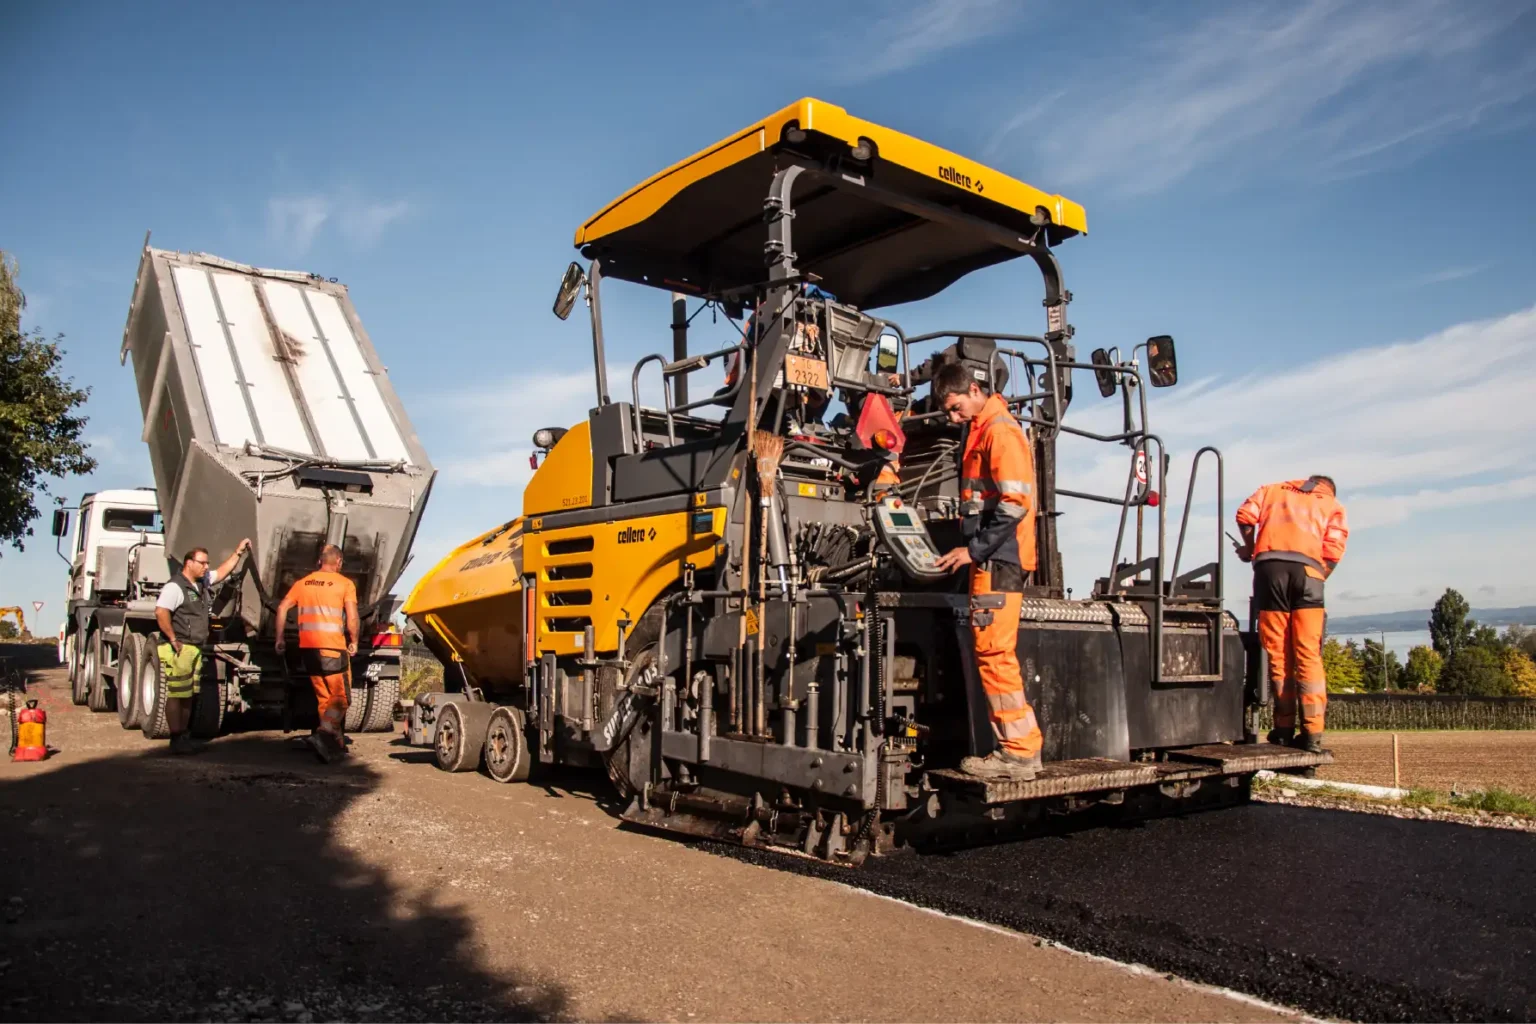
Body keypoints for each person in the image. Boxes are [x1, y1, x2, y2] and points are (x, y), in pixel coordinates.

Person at [930, 364, 1044, 781]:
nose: (953, 418)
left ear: (975, 390)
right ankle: (1018, 747)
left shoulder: (999, 431)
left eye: (957, 408)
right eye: (948, 412)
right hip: (993, 558)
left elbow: (1015, 504)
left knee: (995, 653)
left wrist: (972, 549)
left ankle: (1019, 751)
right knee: (992, 651)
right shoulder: (981, 428)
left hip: (998, 558)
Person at [1234, 475, 1349, 753]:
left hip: (1269, 572)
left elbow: (1245, 515)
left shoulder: (1270, 490)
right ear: (1327, 487)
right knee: (1308, 653)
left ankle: (1283, 730)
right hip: (1309, 574)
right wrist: (1318, 577)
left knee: (1278, 655)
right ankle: (1312, 734)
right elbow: (1333, 551)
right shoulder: (1332, 503)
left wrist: (1249, 549)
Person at [154, 539, 252, 754]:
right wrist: (172, 639)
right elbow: (161, 612)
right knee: (177, 694)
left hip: (194, 647)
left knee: (189, 694)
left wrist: (238, 552)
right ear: (189, 563)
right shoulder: (175, 586)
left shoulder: (202, 582)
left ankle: (184, 735)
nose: (207, 567)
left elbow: (223, 572)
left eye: (207, 563)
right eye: (203, 563)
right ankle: (176, 736)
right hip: (178, 647)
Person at [274, 544, 359, 764]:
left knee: (325, 698)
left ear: (320, 561)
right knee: (342, 698)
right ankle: (323, 734)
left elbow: (282, 608)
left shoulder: (303, 583)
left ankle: (334, 746)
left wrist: (280, 638)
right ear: (338, 562)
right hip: (332, 648)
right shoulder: (344, 584)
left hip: (308, 650)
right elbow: (352, 617)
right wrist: (355, 640)